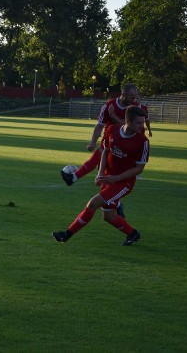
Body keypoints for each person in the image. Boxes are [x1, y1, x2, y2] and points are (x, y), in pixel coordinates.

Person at [53, 105, 149, 246]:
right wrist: (99, 174)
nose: (142, 126)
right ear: (128, 121)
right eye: (139, 123)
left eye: (143, 122)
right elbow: (104, 152)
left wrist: (115, 178)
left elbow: (139, 169)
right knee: (108, 216)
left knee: (93, 204)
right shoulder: (112, 130)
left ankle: (66, 235)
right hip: (108, 179)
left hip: (124, 183)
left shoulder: (143, 142)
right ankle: (133, 233)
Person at [60, 84, 139, 216]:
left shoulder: (134, 108)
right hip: (109, 141)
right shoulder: (108, 106)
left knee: (108, 175)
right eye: (131, 97)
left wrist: (113, 116)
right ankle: (74, 177)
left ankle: (116, 203)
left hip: (126, 146)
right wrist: (92, 142)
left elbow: (131, 127)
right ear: (123, 94)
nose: (134, 99)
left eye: (135, 97)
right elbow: (99, 126)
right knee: (100, 164)